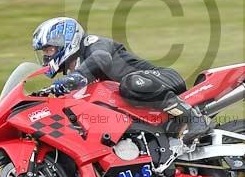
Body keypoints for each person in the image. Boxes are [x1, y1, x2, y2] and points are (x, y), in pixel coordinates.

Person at [31, 16, 212, 145]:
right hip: (142, 108)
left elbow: (101, 59)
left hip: (162, 79)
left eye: (49, 50)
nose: (46, 57)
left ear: (65, 41)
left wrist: (73, 78)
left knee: (129, 83)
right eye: (44, 52)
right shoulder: (79, 74)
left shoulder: (93, 44)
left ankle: (193, 118)